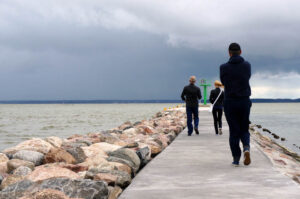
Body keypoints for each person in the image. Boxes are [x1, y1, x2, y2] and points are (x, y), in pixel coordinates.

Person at [220, 43, 252, 167]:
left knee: (234, 131)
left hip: (230, 101)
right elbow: (247, 77)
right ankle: (246, 148)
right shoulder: (247, 65)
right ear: (241, 51)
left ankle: (236, 158)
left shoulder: (223, 67)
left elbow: (223, 82)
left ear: (229, 53)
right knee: (244, 128)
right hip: (244, 100)